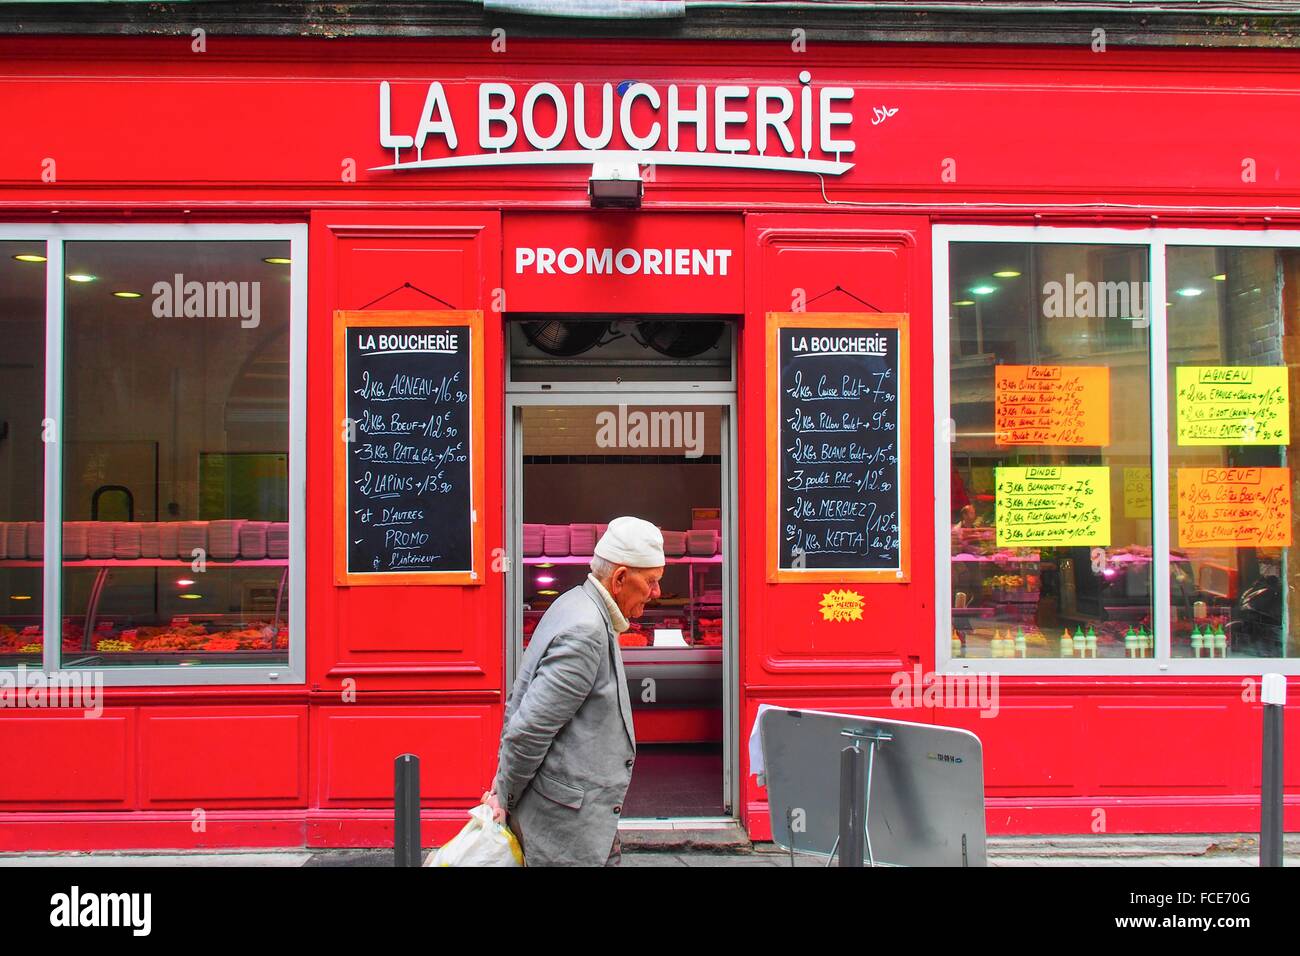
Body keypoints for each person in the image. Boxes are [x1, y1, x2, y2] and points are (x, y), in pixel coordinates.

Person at [482, 516, 664, 866]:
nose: (656, 593)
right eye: (652, 581)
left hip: (582, 815)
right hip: (565, 823)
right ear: (621, 577)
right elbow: (531, 728)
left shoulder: (574, 603)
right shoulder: (586, 629)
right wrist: (502, 798)